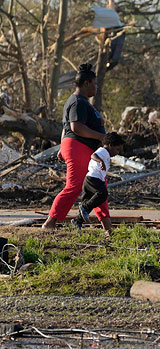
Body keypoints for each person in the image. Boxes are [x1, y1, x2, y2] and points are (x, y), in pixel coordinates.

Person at [41, 63, 111, 231]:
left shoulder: (82, 102)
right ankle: (49, 224)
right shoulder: (78, 101)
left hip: (80, 148)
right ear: (86, 83)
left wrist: (61, 146)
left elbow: (65, 127)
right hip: (78, 147)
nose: (96, 87)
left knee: (98, 186)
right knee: (75, 186)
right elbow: (76, 127)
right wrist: (101, 136)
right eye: (94, 83)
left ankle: (108, 228)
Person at [71, 132, 125, 234]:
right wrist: (100, 161)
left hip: (89, 180)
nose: (118, 152)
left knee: (89, 203)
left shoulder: (106, 153)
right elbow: (93, 155)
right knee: (102, 194)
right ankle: (84, 208)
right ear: (110, 145)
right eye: (117, 149)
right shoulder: (104, 151)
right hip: (94, 179)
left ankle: (77, 221)